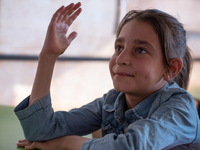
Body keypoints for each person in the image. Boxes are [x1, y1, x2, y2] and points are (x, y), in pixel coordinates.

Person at [14, 2, 200, 150]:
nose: (121, 58)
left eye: (140, 50)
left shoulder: (179, 109)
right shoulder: (111, 102)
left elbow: (131, 147)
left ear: (171, 68)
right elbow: (40, 131)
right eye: (119, 47)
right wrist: (48, 56)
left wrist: (66, 143)